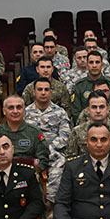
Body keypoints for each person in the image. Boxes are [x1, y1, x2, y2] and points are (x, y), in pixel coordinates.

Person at [24, 77, 71, 205]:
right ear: (34, 92)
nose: (43, 92)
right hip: (30, 153)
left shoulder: (60, 112)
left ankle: (49, 203)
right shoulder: (25, 113)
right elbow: (21, 136)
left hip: (53, 153)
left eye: (46, 89)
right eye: (40, 89)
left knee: (59, 166)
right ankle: (32, 204)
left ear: (51, 92)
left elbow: (65, 136)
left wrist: (48, 149)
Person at [0, 95, 51, 171]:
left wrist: (32, 174)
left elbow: (43, 159)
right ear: (4, 111)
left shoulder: (35, 132)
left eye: (19, 107)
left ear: (24, 110)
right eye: (11, 108)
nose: (15, 111)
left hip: (27, 176)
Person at [64, 93, 110, 157]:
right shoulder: (77, 131)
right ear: (88, 110)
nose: (98, 111)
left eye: (101, 107)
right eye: (94, 107)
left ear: (107, 110)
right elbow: (70, 158)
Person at [71, 52, 110, 118]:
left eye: (97, 62)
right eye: (91, 62)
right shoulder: (80, 85)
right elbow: (76, 111)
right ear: (87, 65)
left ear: (102, 65)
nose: (94, 65)